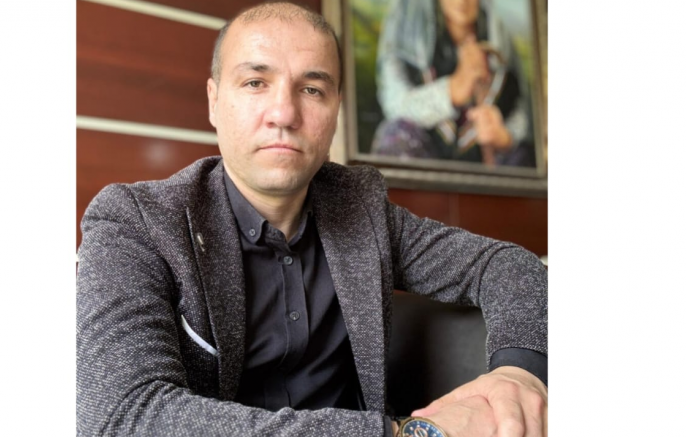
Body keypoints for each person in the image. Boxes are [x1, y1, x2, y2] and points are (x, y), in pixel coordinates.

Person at [76, 2, 547, 436]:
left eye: (312, 89)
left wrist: (519, 373)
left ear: (335, 109)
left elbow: (507, 266)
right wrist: (399, 434)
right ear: (214, 101)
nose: (284, 113)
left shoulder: (360, 208)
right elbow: (122, 416)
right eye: (255, 83)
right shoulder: (135, 223)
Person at [372, 0, 536, 167]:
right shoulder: (410, 41)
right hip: (425, 162)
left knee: (521, 156)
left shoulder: (500, 45)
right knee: (396, 136)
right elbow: (394, 103)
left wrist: (503, 137)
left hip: (482, 169)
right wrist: (452, 90)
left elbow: (521, 117)